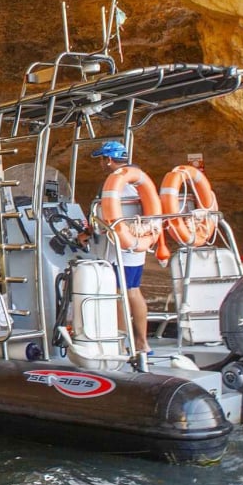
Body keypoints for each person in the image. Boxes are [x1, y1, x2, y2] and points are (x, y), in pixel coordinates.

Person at [92, 141, 149, 353]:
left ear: (108, 160)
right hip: (138, 246)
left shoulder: (115, 183)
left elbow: (103, 218)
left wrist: (87, 231)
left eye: (101, 159)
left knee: (119, 294)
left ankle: (124, 346)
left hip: (120, 251)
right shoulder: (139, 180)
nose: (100, 164)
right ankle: (143, 343)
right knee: (134, 291)